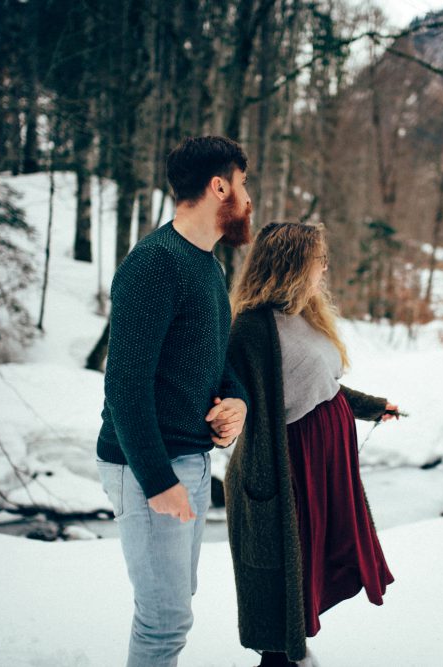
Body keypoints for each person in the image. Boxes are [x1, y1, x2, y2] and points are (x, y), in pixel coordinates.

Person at [95, 135, 252, 667]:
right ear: (219, 187)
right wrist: (159, 481)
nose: (249, 199)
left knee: (175, 605)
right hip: (147, 465)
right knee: (163, 621)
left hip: (191, 460)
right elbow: (124, 386)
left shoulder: (207, 265)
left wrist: (237, 402)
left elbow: (215, 360)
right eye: (243, 184)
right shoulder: (154, 264)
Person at [224, 222, 399, 666]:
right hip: (291, 463)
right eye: (318, 259)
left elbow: (324, 386)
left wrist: (373, 406)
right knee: (286, 562)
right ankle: (278, 657)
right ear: (293, 264)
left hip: (325, 461)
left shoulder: (305, 314)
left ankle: (292, 647)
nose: (324, 267)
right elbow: (233, 397)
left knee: (315, 556)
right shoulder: (251, 328)